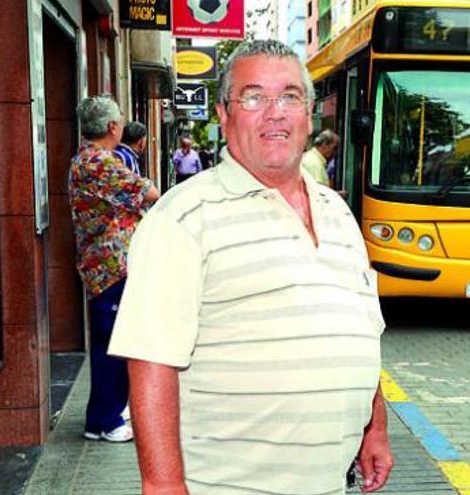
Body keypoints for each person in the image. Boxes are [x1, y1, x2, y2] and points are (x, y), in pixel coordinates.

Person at [108, 40, 393, 494]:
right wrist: (163, 486)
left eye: (290, 97)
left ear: (309, 112)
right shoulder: (181, 219)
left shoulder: (338, 213)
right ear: (223, 113)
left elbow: (358, 329)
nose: (275, 112)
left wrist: (373, 428)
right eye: (254, 97)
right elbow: (151, 362)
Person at [68, 95, 160, 443]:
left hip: (103, 266)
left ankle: (103, 416)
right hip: (110, 268)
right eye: (120, 119)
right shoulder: (99, 162)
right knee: (113, 342)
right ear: (111, 127)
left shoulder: (87, 158)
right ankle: (106, 420)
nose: (122, 123)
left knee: (111, 341)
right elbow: (149, 192)